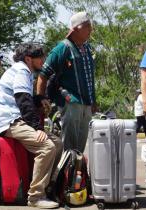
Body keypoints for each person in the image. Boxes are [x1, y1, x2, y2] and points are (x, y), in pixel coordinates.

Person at [0, 43, 63, 209]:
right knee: (46, 146)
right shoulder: (22, 70)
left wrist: (39, 99)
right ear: (28, 59)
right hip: (9, 121)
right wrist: (37, 128)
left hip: (16, 118)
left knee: (58, 144)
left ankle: (49, 187)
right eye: (40, 57)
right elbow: (23, 101)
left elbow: (24, 98)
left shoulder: (22, 70)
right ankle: (35, 197)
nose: (44, 61)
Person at [37, 11, 96, 153]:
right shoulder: (62, 48)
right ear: (76, 28)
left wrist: (93, 101)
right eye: (87, 26)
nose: (90, 29)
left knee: (81, 146)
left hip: (86, 104)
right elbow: (43, 75)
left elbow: (90, 77)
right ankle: (66, 174)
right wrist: (40, 99)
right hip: (70, 102)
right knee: (70, 146)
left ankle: (77, 173)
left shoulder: (87, 48)